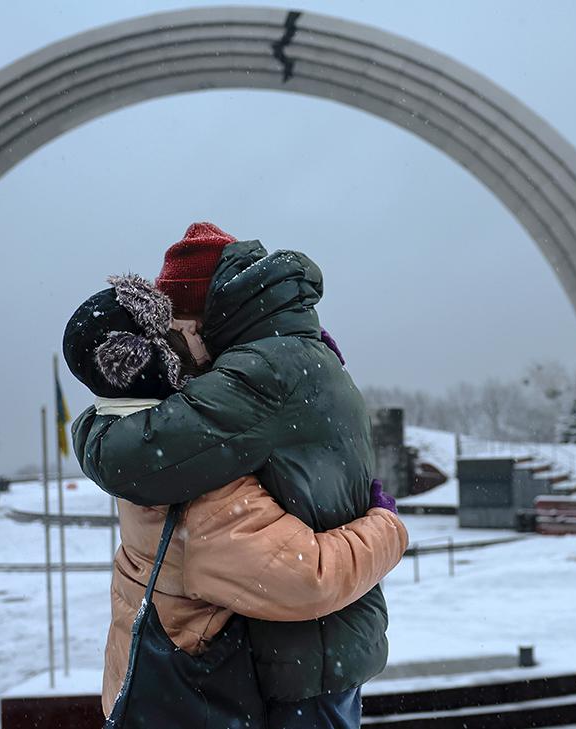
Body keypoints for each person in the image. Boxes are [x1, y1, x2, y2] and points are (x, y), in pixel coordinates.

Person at [74, 224, 391, 727]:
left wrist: (98, 417)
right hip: (318, 644)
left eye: (176, 329)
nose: (173, 350)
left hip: (301, 658)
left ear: (201, 316)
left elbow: (130, 458)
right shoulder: (300, 351)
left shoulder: (264, 369)